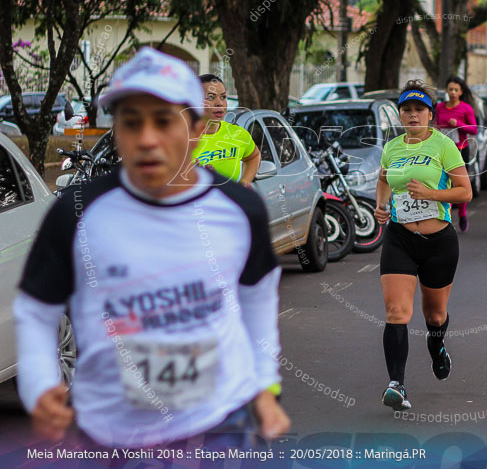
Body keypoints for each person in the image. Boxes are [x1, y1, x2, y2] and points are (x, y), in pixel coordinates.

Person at [14, 48, 290, 449]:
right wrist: (39, 387)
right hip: (109, 435)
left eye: (164, 121)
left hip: (219, 423)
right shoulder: (75, 213)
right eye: (130, 122)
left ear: (196, 128)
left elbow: (257, 299)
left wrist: (266, 386)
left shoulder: (239, 208)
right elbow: (36, 308)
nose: (146, 139)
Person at [373, 82, 472, 412]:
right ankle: (396, 385)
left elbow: (464, 193)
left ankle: (437, 345)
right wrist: (381, 205)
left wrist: (430, 194)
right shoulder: (392, 148)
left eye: (419, 109)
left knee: (435, 315)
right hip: (399, 237)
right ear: (400, 114)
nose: (412, 115)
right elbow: (385, 178)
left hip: (439, 242)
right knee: (396, 312)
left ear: (431, 114)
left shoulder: (444, 146)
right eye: (406, 110)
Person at [192, 74, 260, 186]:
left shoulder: (238, 133)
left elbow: (254, 156)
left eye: (223, 97)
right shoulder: (181, 138)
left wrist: (245, 182)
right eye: (210, 97)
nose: (219, 103)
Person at [434, 76, 478, 232]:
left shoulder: (466, 108)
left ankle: (463, 213)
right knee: (444, 182)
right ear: (446, 90)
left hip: (460, 149)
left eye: (456, 90)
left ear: (460, 92)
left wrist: (458, 125)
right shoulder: (440, 107)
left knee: (459, 183)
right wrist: (437, 128)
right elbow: (435, 124)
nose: (453, 93)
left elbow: (474, 129)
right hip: (442, 150)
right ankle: (447, 215)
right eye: (450, 89)